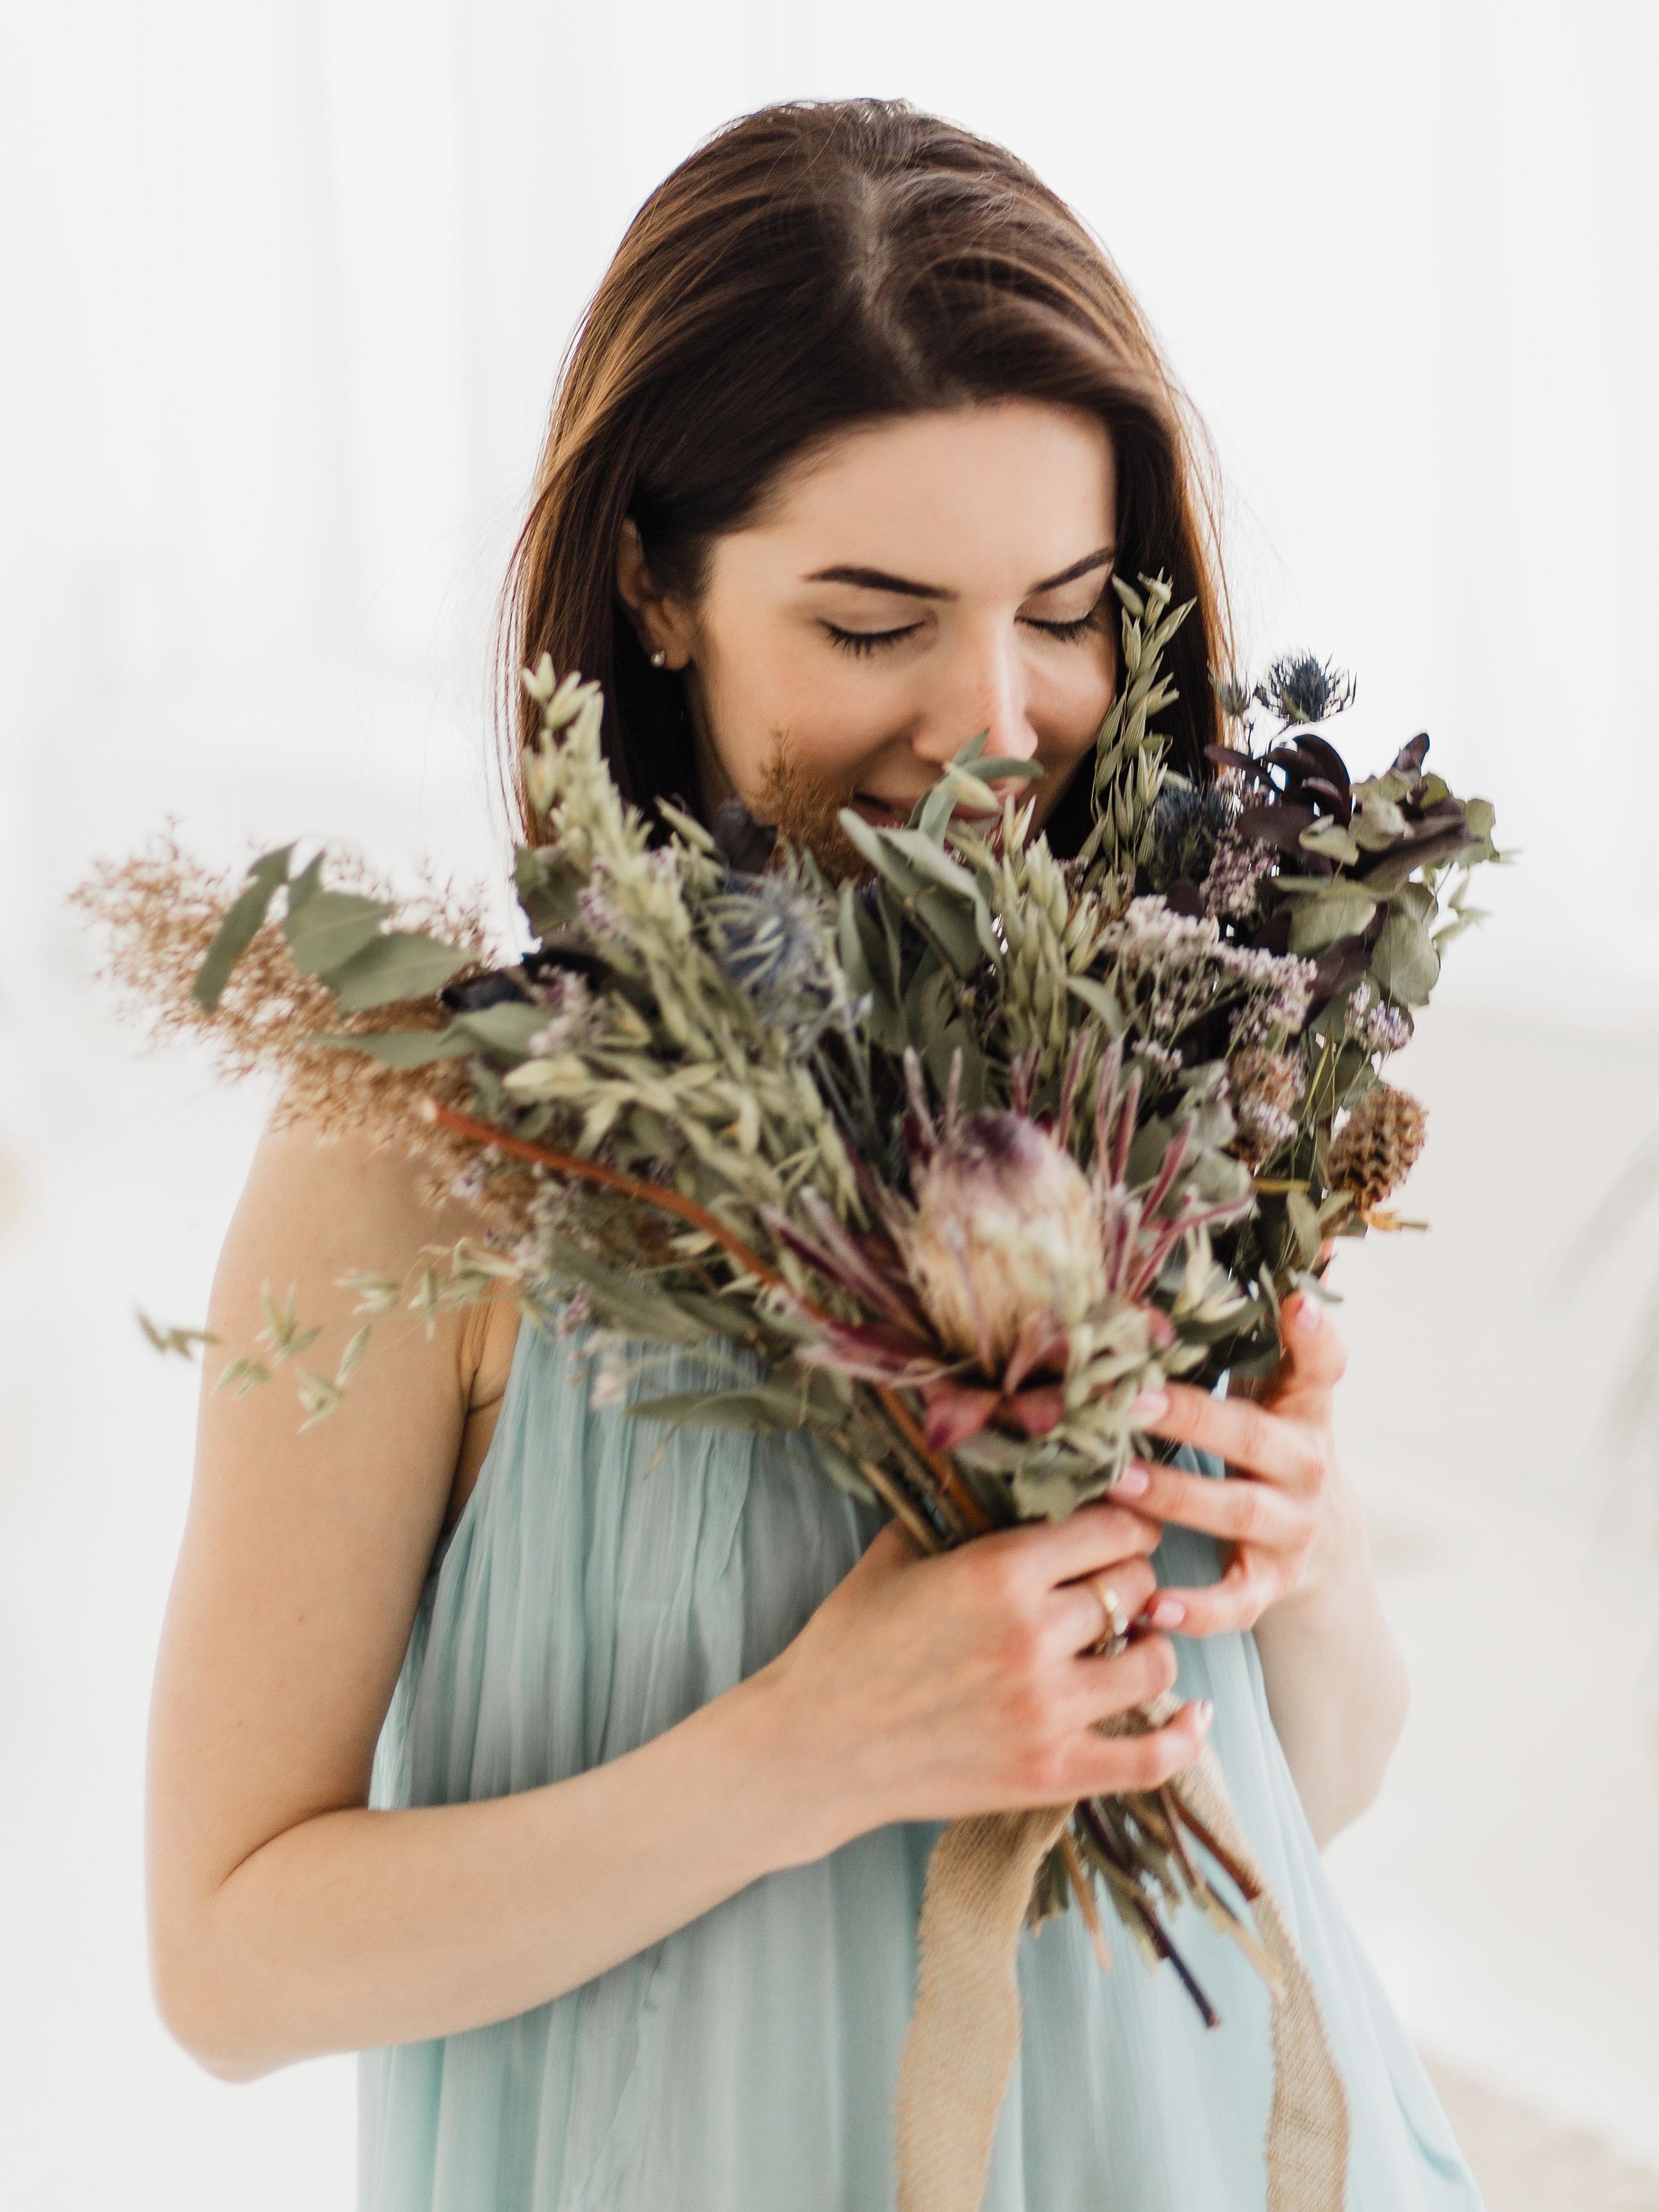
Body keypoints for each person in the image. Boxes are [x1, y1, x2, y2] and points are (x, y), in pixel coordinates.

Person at [146, 99, 1483, 2210]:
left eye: (1065, 608)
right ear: (656, 596)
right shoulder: (428, 1148)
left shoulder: (1167, 1052)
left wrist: (1303, 1570)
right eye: (874, 625)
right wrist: (799, 1757)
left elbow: (1312, 1794)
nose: (999, 720)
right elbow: (227, 1960)